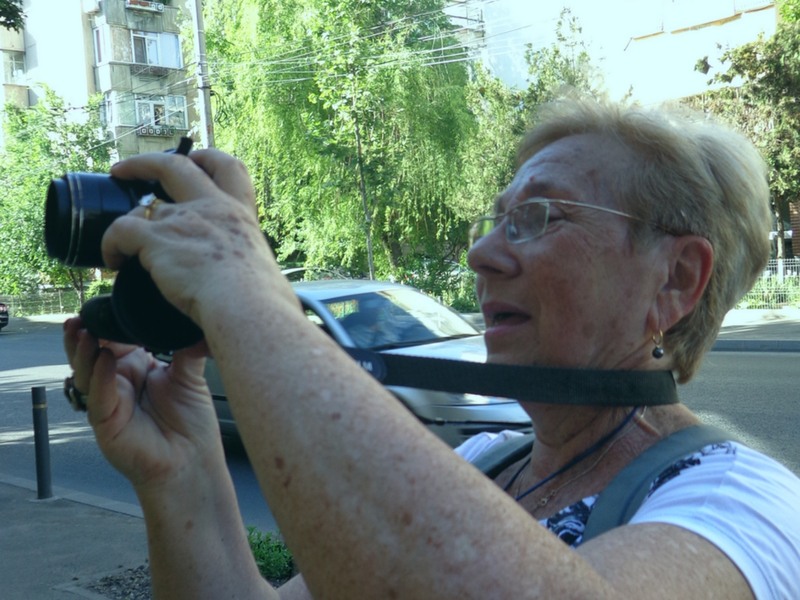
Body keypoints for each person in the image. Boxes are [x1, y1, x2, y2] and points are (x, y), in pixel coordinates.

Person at [63, 96, 800, 599]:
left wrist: (249, 297)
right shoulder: (484, 463)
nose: (481, 254)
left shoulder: (746, 507)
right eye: (496, 219)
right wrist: (182, 469)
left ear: (676, 279)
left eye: (538, 217)